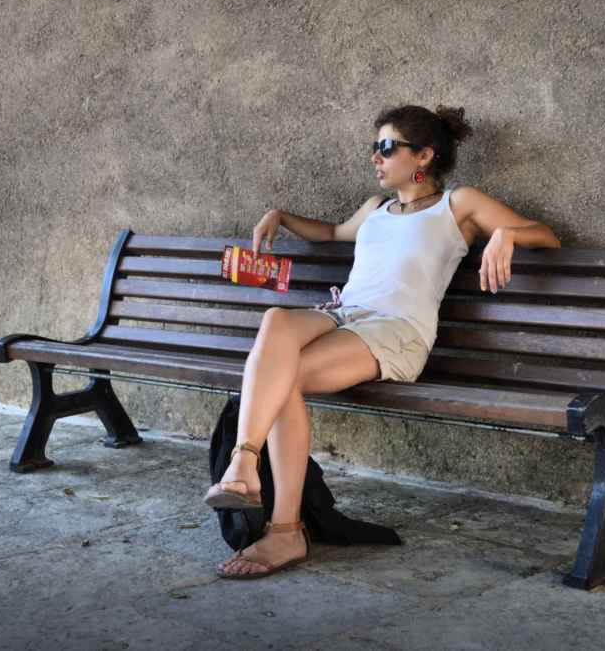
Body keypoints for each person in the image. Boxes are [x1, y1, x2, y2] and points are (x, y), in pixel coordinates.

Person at [206, 104, 562, 579]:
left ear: (424, 156)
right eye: (375, 147)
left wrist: (506, 236)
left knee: (281, 378)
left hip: (395, 331)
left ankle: (281, 523)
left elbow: (546, 236)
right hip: (344, 314)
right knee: (276, 321)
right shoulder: (376, 209)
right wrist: (281, 216)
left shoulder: (458, 204)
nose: (376, 157)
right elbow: (333, 232)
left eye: (387, 147)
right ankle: (246, 469)